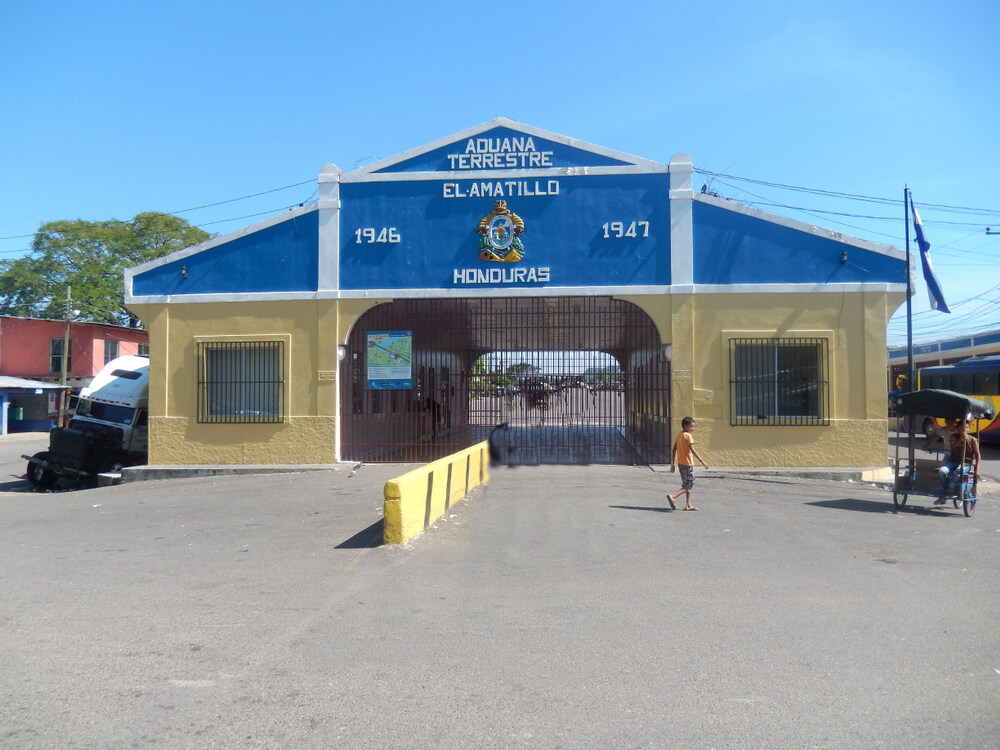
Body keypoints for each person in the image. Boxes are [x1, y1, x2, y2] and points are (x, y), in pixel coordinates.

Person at [667, 416, 709, 511]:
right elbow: (692, 450)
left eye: (693, 426)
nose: (692, 429)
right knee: (689, 484)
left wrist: (673, 463)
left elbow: (674, 450)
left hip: (681, 463)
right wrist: (702, 461)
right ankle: (673, 496)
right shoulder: (688, 436)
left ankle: (688, 505)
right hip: (688, 463)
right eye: (691, 426)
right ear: (685, 425)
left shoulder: (679, 435)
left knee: (686, 484)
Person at [935, 422, 980, 504]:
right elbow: (952, 447)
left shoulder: (973, 440)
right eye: (962, 428)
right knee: (941, 471)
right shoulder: (954, 437)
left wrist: (977, 470)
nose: (964, 430)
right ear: (958, 429)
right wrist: (960, 439)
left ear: (968, 429)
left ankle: (948, 490)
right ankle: (947, 488)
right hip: (952, 461)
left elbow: (977, 455)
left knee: (958, 472)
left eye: (966, 428)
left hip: (965, 463)